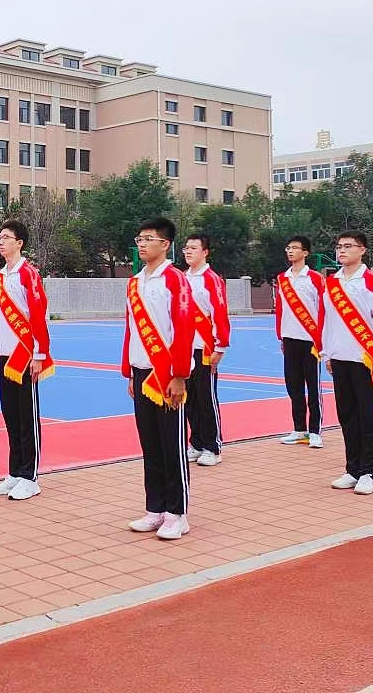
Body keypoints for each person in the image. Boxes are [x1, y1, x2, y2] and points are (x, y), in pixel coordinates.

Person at [123, 217, 195, 540]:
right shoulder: (135, 282)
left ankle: (177, 513)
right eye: (139, 238)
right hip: (141, 374)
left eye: (148, 239)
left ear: (165, 244)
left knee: (172, 446)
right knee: (149, 445)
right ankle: (155, 509)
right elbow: (131, 329)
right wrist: (129, 371)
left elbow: (183, 329)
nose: (141, 244)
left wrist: (179, 375)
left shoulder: (175, 280)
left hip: (166, 375)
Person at [318, 231, 373, 495]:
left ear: (362, 250)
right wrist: (326, 354)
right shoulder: (331, 283)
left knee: (368, 416)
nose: (342, 251)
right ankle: (352, 468)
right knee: (347, 416)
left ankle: (369, 471)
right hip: (339, 358)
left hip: (365, 359)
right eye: (339, 246)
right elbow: (325, 321)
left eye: (348, 246)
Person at [0, 219, 55, 500]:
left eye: (6, 237)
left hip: (25, 356)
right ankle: (15, 472)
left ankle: (30, 476)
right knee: (11, 417)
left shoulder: (29, 274)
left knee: (27, 417)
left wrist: (39, 354)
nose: (0, 241)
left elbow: (39, 315)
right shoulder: (0, 276)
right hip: (4, 355)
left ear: (19, 243)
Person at [182, 233, 231, 467]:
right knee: (189, 398)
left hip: (204, 347)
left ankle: (213, 446)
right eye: (186, 248)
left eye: (193, 248)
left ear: (205, 252)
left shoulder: (211, 279)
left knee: (206, 398)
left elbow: (220, 313)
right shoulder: (181, 279)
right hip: (184, 348)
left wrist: (220, 346)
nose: (188, 251)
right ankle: (197, 442)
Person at [275, 235, 326, 448]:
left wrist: (321, 340)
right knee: (293, 386)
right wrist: (281, 336)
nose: (290, 251)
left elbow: (323, 310)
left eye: (295, 248)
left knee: (312, 387)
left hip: (310, 340)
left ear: (305, 253)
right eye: (288, 248)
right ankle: (299, 429)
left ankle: (315, 431)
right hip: (290, 338)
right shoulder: (282, 278)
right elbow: (280, 310)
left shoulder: (315, 278)